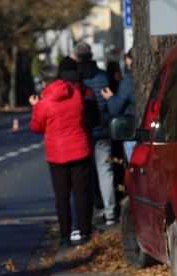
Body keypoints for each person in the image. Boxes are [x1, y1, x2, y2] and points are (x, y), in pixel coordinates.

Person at [29, 58, 93, 246]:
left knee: (62, 196)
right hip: (80, 149)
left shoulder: (45, 103)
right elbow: (81, 114)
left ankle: (65, 235)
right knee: (81, 194)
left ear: (43, 82)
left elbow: (36, 127)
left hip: (57, 154)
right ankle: (85, 232)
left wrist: (35, 107)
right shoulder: (75, 95)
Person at [74, 41, 118, 226]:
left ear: (77, 57)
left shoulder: (76, 79)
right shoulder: (102, 76)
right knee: (105, 171)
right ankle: (110, 212)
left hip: (83, 129)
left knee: (84, 173)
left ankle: (89, 211)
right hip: (102, 127)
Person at [101, 48, 137, 162]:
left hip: (131, 130)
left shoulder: (127, 82)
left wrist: (110, 98)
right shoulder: (127, 82)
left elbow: (114, 107)